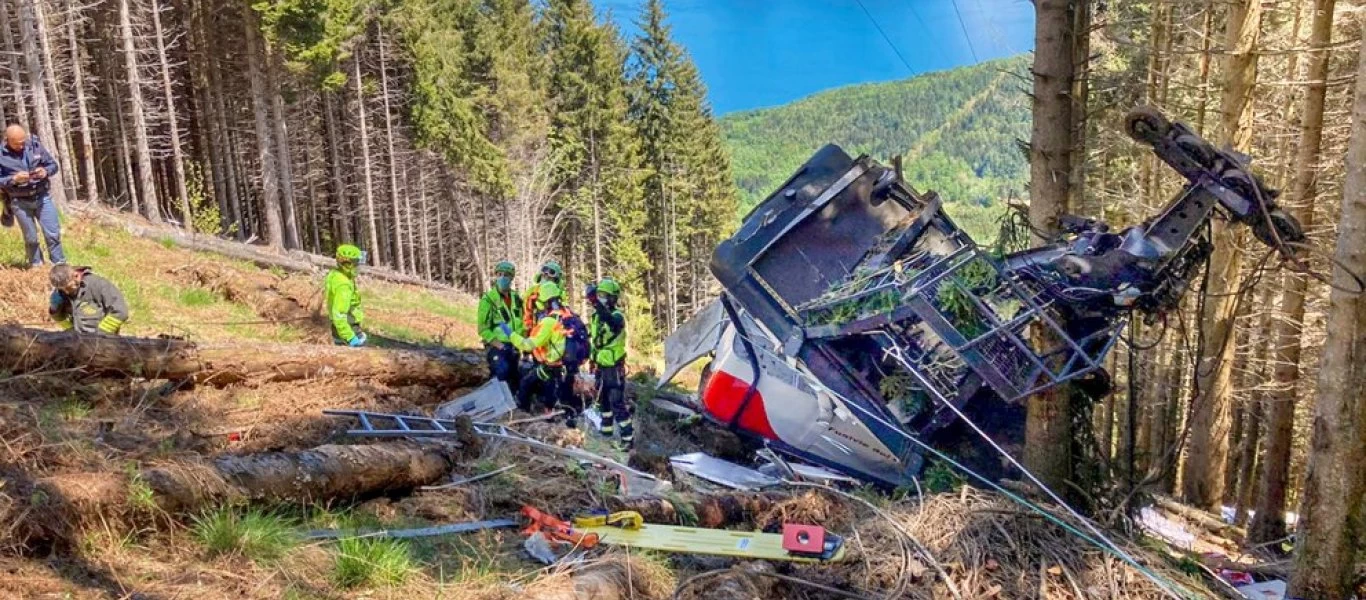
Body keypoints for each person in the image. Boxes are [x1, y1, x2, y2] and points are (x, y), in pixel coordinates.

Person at [505, 281, 575, 422]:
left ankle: (524, 415)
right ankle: (554, 412)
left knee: (526, 383)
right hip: (564, 366)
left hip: (551, 366)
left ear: (545, 302)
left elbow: (528, 345)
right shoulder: (567, 316)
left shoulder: (549, 322)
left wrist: (510, 334)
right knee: (547, 390)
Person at [0, 125, 63, 267]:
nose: (22, 146)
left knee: (53, 234)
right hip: (19, 201)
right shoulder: (1, 155)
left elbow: (53, 165)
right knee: (31, 239)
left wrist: (45, 171)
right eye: (17, 144)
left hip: (42, 197)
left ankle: (59, 265)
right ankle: (36, 266)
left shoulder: (35, 146)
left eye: (23, 142)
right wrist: (13, 179)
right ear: (8, 140)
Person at [587, 277, 631, 449]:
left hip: (614, 367)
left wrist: (595, 302)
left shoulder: (617, 317)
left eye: (604, 295)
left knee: (617, 403)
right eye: (599, 295)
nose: (601, 298)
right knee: (603, 402)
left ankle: (627, 440)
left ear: (613, 298)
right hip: (601, 365)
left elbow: (611, 323)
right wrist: (592, 360)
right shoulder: (596, 317)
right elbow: (597, 341)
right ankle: (606, 434)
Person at [477, 260, 524, 392]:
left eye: (506, 275)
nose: (503, 277)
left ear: (511, 278)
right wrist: (499, 345)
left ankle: (515, 408)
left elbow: (522, 321)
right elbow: (483, 328)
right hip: (497, 346)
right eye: (500, 274)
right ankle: (496, 403)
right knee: (501, 372)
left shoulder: (516, 298)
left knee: (514, 378)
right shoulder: (489, 299)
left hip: (515, 345)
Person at [49, 264, 128, 335]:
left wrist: (100, 334)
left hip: (103, 340)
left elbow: (120, 312)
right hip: (78, 340)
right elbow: (61, 318)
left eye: (69, 288)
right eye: (63, 289)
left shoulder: (99, 285)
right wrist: (55, 310)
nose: (66, 292)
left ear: (76, 276)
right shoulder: (61, 292)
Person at [326, 244, 367, 346]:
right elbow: (339, 314)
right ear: (347, 265)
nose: (359, 267)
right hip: (348, 329)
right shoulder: (343, 285)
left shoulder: (338, 275)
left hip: (341, 328)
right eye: (356, 264)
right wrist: (350, 337)